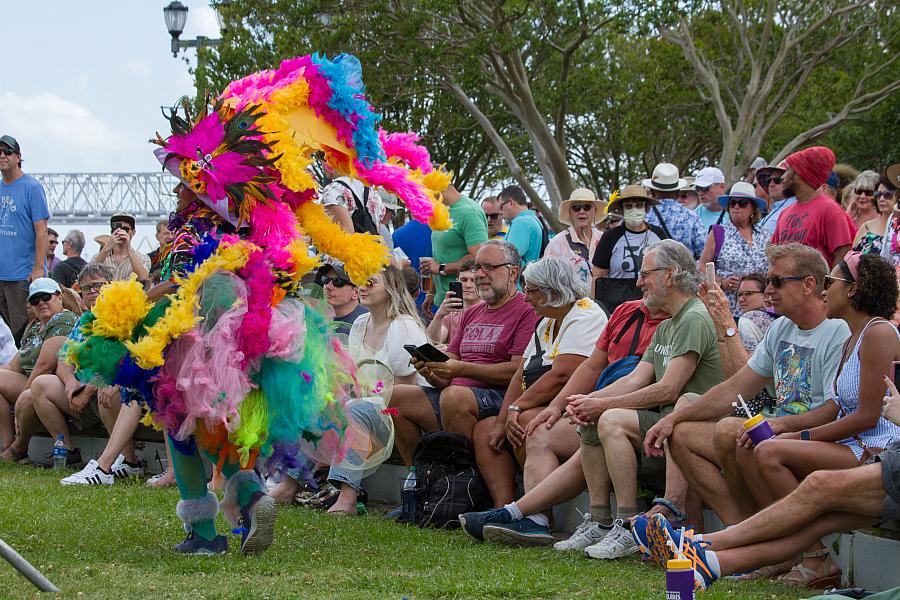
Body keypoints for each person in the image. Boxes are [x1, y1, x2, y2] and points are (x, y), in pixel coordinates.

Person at [643, 244, 850, 529]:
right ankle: (739, 530)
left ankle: (762, 538)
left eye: (777, 282)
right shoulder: (781, 328)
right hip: (777, 437)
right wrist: (672, 419)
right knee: (681, 433)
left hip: (815, 441)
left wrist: (778, 426)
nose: (768, 291)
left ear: (809, 285)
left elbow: (832, 411)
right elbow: (735, 387)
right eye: (768, 283)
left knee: (732, 429)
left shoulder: (837, 331)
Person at [633, 375, 900, 593]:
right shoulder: (851, 336)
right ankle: (713, 563)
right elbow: (738, 382)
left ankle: (703, 543)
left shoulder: (874, 332)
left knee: (818, 484)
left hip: (880, 456)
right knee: (821, 519)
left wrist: (795, 433)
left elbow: (857, 416)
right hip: (884, 458)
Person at [459, 292, 670, 548]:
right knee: (539, 429)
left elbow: (653, 385)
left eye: (532, 290)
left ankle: (515, 512)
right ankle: (536, 519)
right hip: (611, 405)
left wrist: (595, 404)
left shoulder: (679, 320)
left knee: (597, 426)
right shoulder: (625, 310)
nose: (526, 298)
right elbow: (592, 367)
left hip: (647, 414)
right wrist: (559, 406)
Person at [738, 252, 900, 586]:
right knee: (759, 444)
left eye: (831, 282)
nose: (824, 290)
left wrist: (803, 437)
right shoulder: (851, 335)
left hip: (874, 448)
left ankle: (815, 558)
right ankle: (792, 553)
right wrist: (788, 430)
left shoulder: (879, 333)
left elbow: (868, 418)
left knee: (770, 451)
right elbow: (839, 405)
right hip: (851, 441)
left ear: (853, 290)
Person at [564, 240, 723, 559]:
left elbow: (669, 389)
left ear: (670, 275)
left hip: (697, 428)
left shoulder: (694, 317)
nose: (638, 282)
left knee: (610, 418)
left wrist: (602, 405)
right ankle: (600, 521)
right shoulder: (667, 325)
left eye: (645, 274)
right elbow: (635, 378)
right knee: (594, 417)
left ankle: (626, 524)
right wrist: (588, 401)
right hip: (665, 426)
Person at [271, 266, 430, 513]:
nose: (363, 287)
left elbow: (406, 388)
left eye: (371, 282)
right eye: (360, 282)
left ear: (390, 289)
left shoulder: (404, 326)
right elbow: (355, 378)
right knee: (323, 403)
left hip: (398, 410)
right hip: (367, 404)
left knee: (354, 411)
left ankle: (347, 497)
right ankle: (289, 484)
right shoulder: (360, 323)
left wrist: (360, 401)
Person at [473, 256, 607, 508]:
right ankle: (505, 507)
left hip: (576, 408)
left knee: (525, 423)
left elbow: (562, 376)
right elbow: (519, 374)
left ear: (552, 291)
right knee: (485, 430)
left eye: (531, 291)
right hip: (541, 404)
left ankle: (537, 512)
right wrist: (502, 420)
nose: (525, 298)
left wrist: (517, 409)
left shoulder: (585, 314)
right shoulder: (546, 321)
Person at [389, 240, 539, 464]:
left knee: (454, 395)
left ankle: (461, 479)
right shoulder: (473, 312)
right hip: (456, 395)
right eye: (478, 267)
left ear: (512, 272)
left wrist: (460, 369)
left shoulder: (526, 310)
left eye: (488, 267)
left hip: (497, 397)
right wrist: (431, 369)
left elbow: (517, 370)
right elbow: (451, 362)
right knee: (396, 395)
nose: (480, 274)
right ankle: (420, 476)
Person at [30, 266, 144, 485]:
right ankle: (69, 453)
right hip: (82, 390)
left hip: (114, 392)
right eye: (86, 288)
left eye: (98, 285)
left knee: (106, 385)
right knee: (41, 384)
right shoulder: (83, 321)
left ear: (112, 286)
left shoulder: (127, 315)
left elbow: (125, 360)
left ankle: (129, 462)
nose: (92, 291)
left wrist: (89, 388)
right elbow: (64, 358)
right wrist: (70, 384)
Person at [0, 278, 79, 459]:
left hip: (56, 383)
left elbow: (45, 365)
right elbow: (13, 366)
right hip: (35, 381)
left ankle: (19, 448)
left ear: (59, 297)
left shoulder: (64, 318)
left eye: (46, 297)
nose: (41, 303)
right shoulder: (35, 326)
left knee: (29, 395)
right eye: (35, 300)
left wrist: (20, 398)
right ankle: (6, 444)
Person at [0, 134, 51, 345]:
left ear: (19, 156)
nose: (2, 155)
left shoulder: (32, 187)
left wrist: (38, 268)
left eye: (8, 151)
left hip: (22, 275)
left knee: (22, 333)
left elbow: (42, 230)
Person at [771, 146, 856, 267]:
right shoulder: (785, 212)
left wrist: (829, 286)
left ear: (800, 174)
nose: (783, 177)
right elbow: (775, 255)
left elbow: (843, 254)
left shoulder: (830, 210)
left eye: (788, 170)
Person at [697, 182, 770, 316]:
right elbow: (701, 267)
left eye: (742, 203)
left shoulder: (765, 235)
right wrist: (721, 282)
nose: (736, 206)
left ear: (752, 207)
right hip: (727, 308)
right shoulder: (718, 233)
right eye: (732, 203)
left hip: (760, 309)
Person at [592, 184, 667, 314]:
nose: (634, 210)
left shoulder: (658, 234)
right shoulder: (610, 237)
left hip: (655, 307)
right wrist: (596, 310)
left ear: (646, 208)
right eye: (629, 206)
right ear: (622, 209)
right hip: (618, 308)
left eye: (638, 205)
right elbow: (598, 277)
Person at [422, 184, 488, 313]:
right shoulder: (441, 210)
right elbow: (440, 253)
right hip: (443, 301)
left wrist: (441, 268)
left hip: (464, 304)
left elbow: (479, 257)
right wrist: (431, 293)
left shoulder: (469, 212)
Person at [543, 188, 605, 287]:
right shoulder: (557, 243)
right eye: (576, 208)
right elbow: (546, 278)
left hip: (603, 301)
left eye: (587, 207)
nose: (581, 211)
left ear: (595, 211)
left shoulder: (604, 239)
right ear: (570, 213)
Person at [643, 163, 706, 259]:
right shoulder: (691, 216)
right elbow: (702, 252)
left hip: (651, 271)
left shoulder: (644, 215)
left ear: (652, 191)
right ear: (677, 192)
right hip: (683, 272)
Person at [426, 261, 478, 345]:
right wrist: (439, 315)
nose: (468, 285)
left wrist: (449, 350)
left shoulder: (491, 310)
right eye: (464, 280)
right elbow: (432, 343)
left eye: (473, 281)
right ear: (457, 281)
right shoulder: (451, 312)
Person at [91, 213, 151, 282]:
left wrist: (128, 247)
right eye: (116, 229)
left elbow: (143, 278)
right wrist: (107, 248)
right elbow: (89, 275)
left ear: (133, 232)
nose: (121, 233)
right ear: (111, 232)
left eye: (125, 229)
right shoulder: (99, 256)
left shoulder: (142, 258)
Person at [314, 263, 368, 336]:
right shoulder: (315, 317)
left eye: (337, 281)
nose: (328, 287)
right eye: (325, 279)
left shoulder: (367, 322)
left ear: (355, 292)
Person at [499, 185, 543, 266]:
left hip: (520, 277)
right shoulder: (532, 219)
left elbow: (509, 259)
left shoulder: (521, 222)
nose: (500, 212)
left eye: (501, 207)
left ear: (511, 202)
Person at [854, 175, 897, 256]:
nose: (881, 199)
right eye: (878, 194)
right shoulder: (866, 227)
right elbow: (849, 262)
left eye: (887, 194)